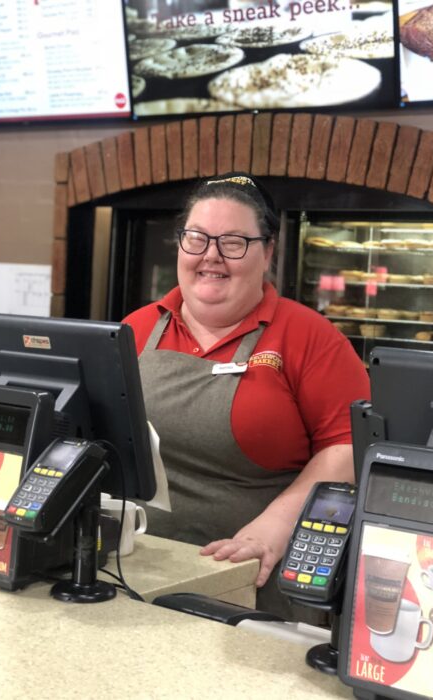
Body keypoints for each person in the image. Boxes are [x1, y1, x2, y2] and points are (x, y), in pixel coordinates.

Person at [123, 172, 370, 619]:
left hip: (254, 576)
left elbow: (348, 444)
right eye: (196, 238)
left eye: (233, 242)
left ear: (268, 251)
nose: (211, 256)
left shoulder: (311, 338)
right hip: (141, 568)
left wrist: (273, 529)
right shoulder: (136, 328)